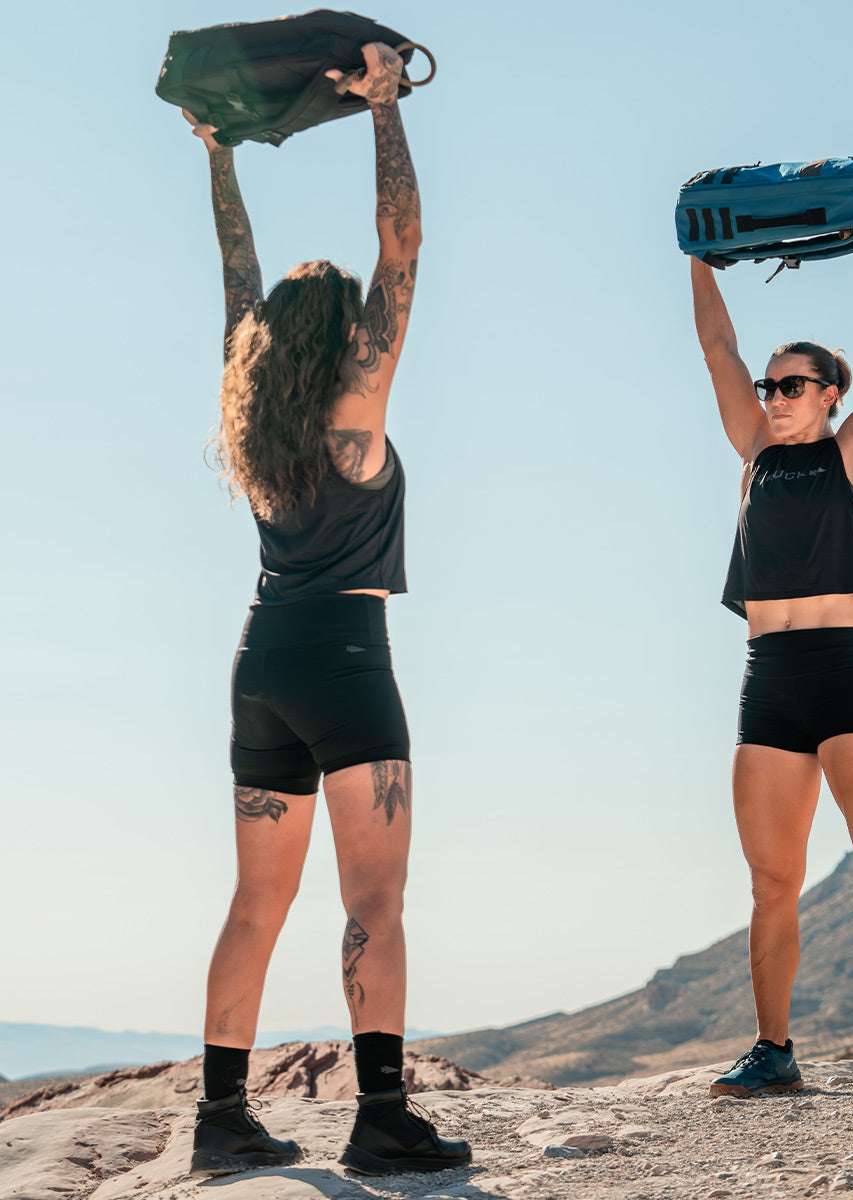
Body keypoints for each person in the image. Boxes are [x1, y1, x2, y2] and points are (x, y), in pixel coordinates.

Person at [183, 43, 470, 1176]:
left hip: (261, 660)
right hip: (348, 661)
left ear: (266, 351)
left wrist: (221, 161)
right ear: (344, 329)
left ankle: (217, 1118)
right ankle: (381, 1117)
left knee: (256, 900)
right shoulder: (359, 400)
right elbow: (402, 243)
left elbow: (235, 279)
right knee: (375, 901)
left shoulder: (250, 415)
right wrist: (386, 108)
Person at [691, 193, 853, 1096]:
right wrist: (699, 257)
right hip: (769, 679)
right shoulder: (755, 454)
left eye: (792, 385)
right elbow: (715, 351)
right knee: (771, 880)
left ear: (829, 394)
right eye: (769, 386)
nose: (773, 396)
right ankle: (774, 1051)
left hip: (846, 674)